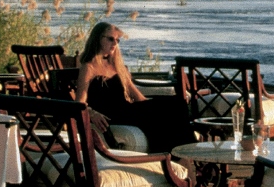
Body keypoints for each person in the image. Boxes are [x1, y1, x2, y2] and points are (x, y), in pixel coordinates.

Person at [75, 21, 194, 152]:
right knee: (171, 107)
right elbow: (80, 101)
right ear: (97, 38)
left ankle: (185, 153)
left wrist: (151, 107)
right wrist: (92, 113)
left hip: (127, 111)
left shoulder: (116, 67)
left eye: (117, 40)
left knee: (176, 104)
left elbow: (137, 96)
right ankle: (185, 153)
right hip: (111, 116)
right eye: (110, 39)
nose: (114, 43)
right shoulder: (89, 67)